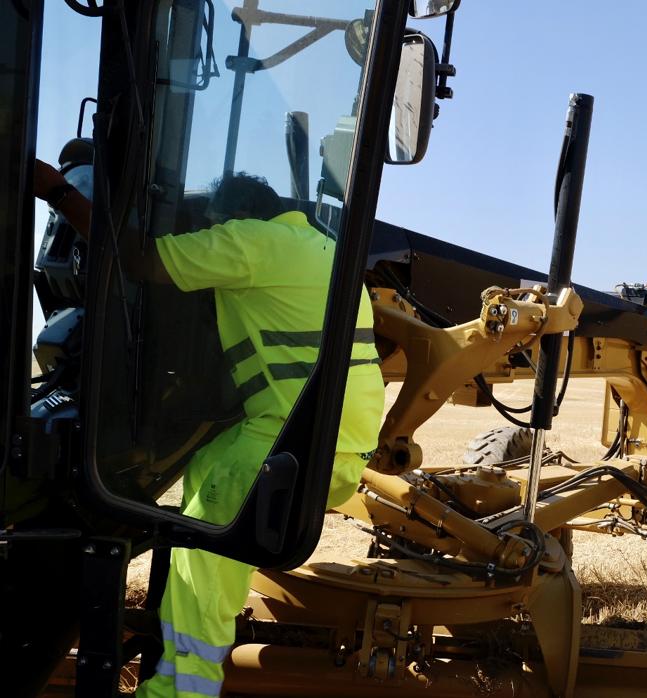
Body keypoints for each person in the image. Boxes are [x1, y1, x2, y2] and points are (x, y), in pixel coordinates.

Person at [34, 159, 385, 698]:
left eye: (216, 224)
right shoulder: (321, 247)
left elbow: (137, 259)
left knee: (204, 572)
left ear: (240, 214)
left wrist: (56, 191)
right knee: (204, 469)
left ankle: (179, 691)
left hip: (282, 451)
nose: (213, 236)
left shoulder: (252, 243)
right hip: (334, 446)